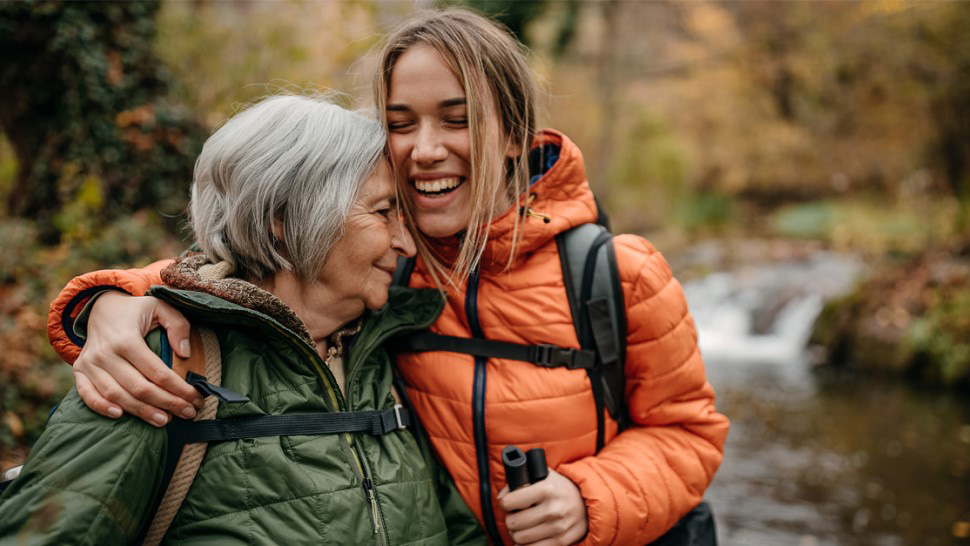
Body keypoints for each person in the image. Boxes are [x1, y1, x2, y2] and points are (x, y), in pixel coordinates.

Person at [44, 8, 729, 545]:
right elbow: (245, 266)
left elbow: (690, 435)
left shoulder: (615, 271)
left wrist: (591, 501)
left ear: (516, 133)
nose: (426, 150)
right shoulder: (386, 263)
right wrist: (113, 298)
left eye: (457, 121)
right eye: (401, 124)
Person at [1, 94, 485, 544]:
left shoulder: (388, 360)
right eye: (383, 212)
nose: (405, 242)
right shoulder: (161, 367)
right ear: (285, 220)